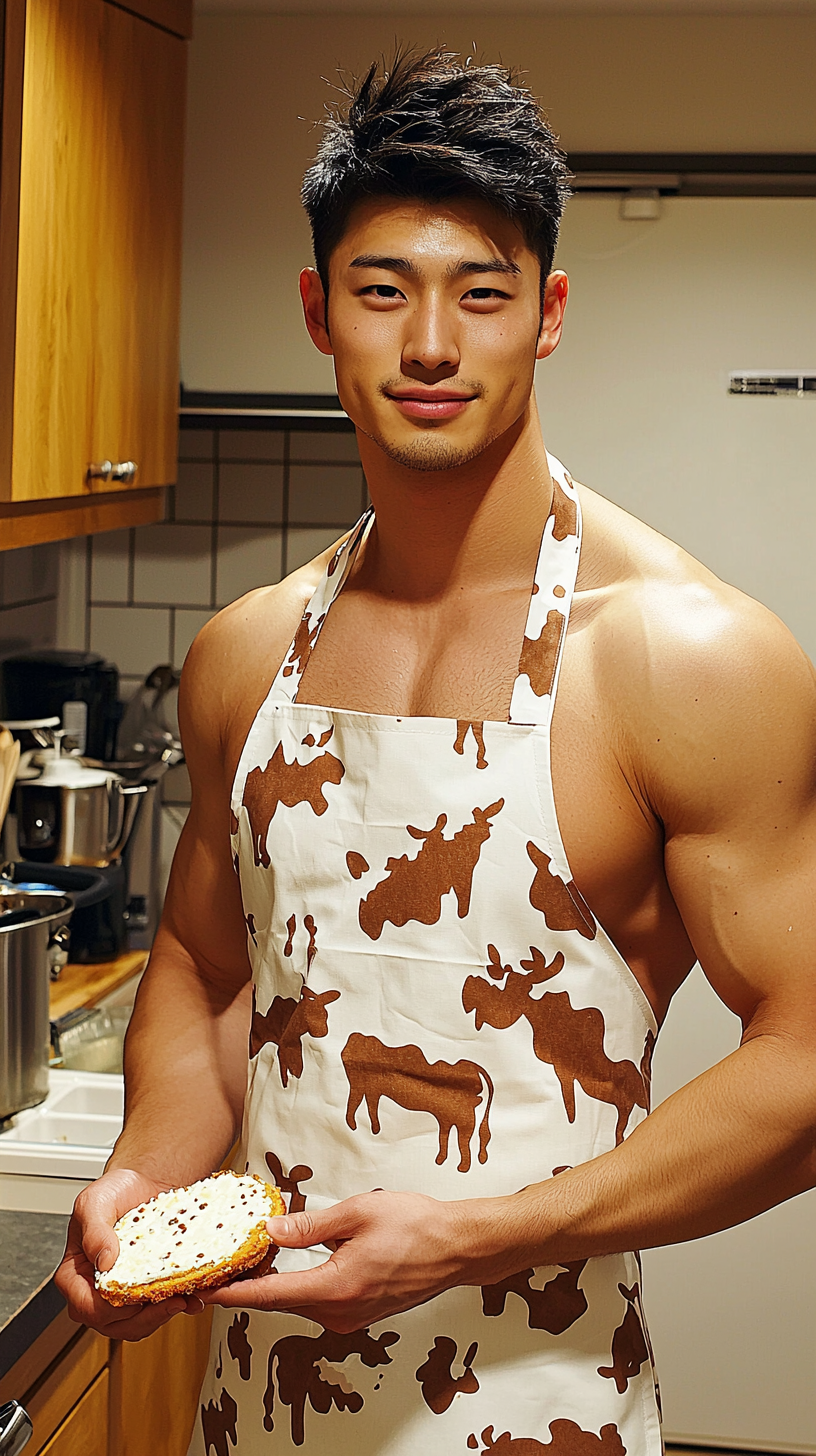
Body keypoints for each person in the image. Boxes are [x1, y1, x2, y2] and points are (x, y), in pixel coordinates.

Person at [56, 48, 816, 1456]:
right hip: (260, 1407)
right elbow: (208, 977)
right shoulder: (245, 658)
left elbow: (810, 1062)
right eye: (382, 289)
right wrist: (147, 1188)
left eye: (483, 293)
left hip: (545, 1404)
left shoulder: (682, 658)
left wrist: (473, 1237)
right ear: (316, 311)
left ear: (550, 315)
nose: (429, 345)